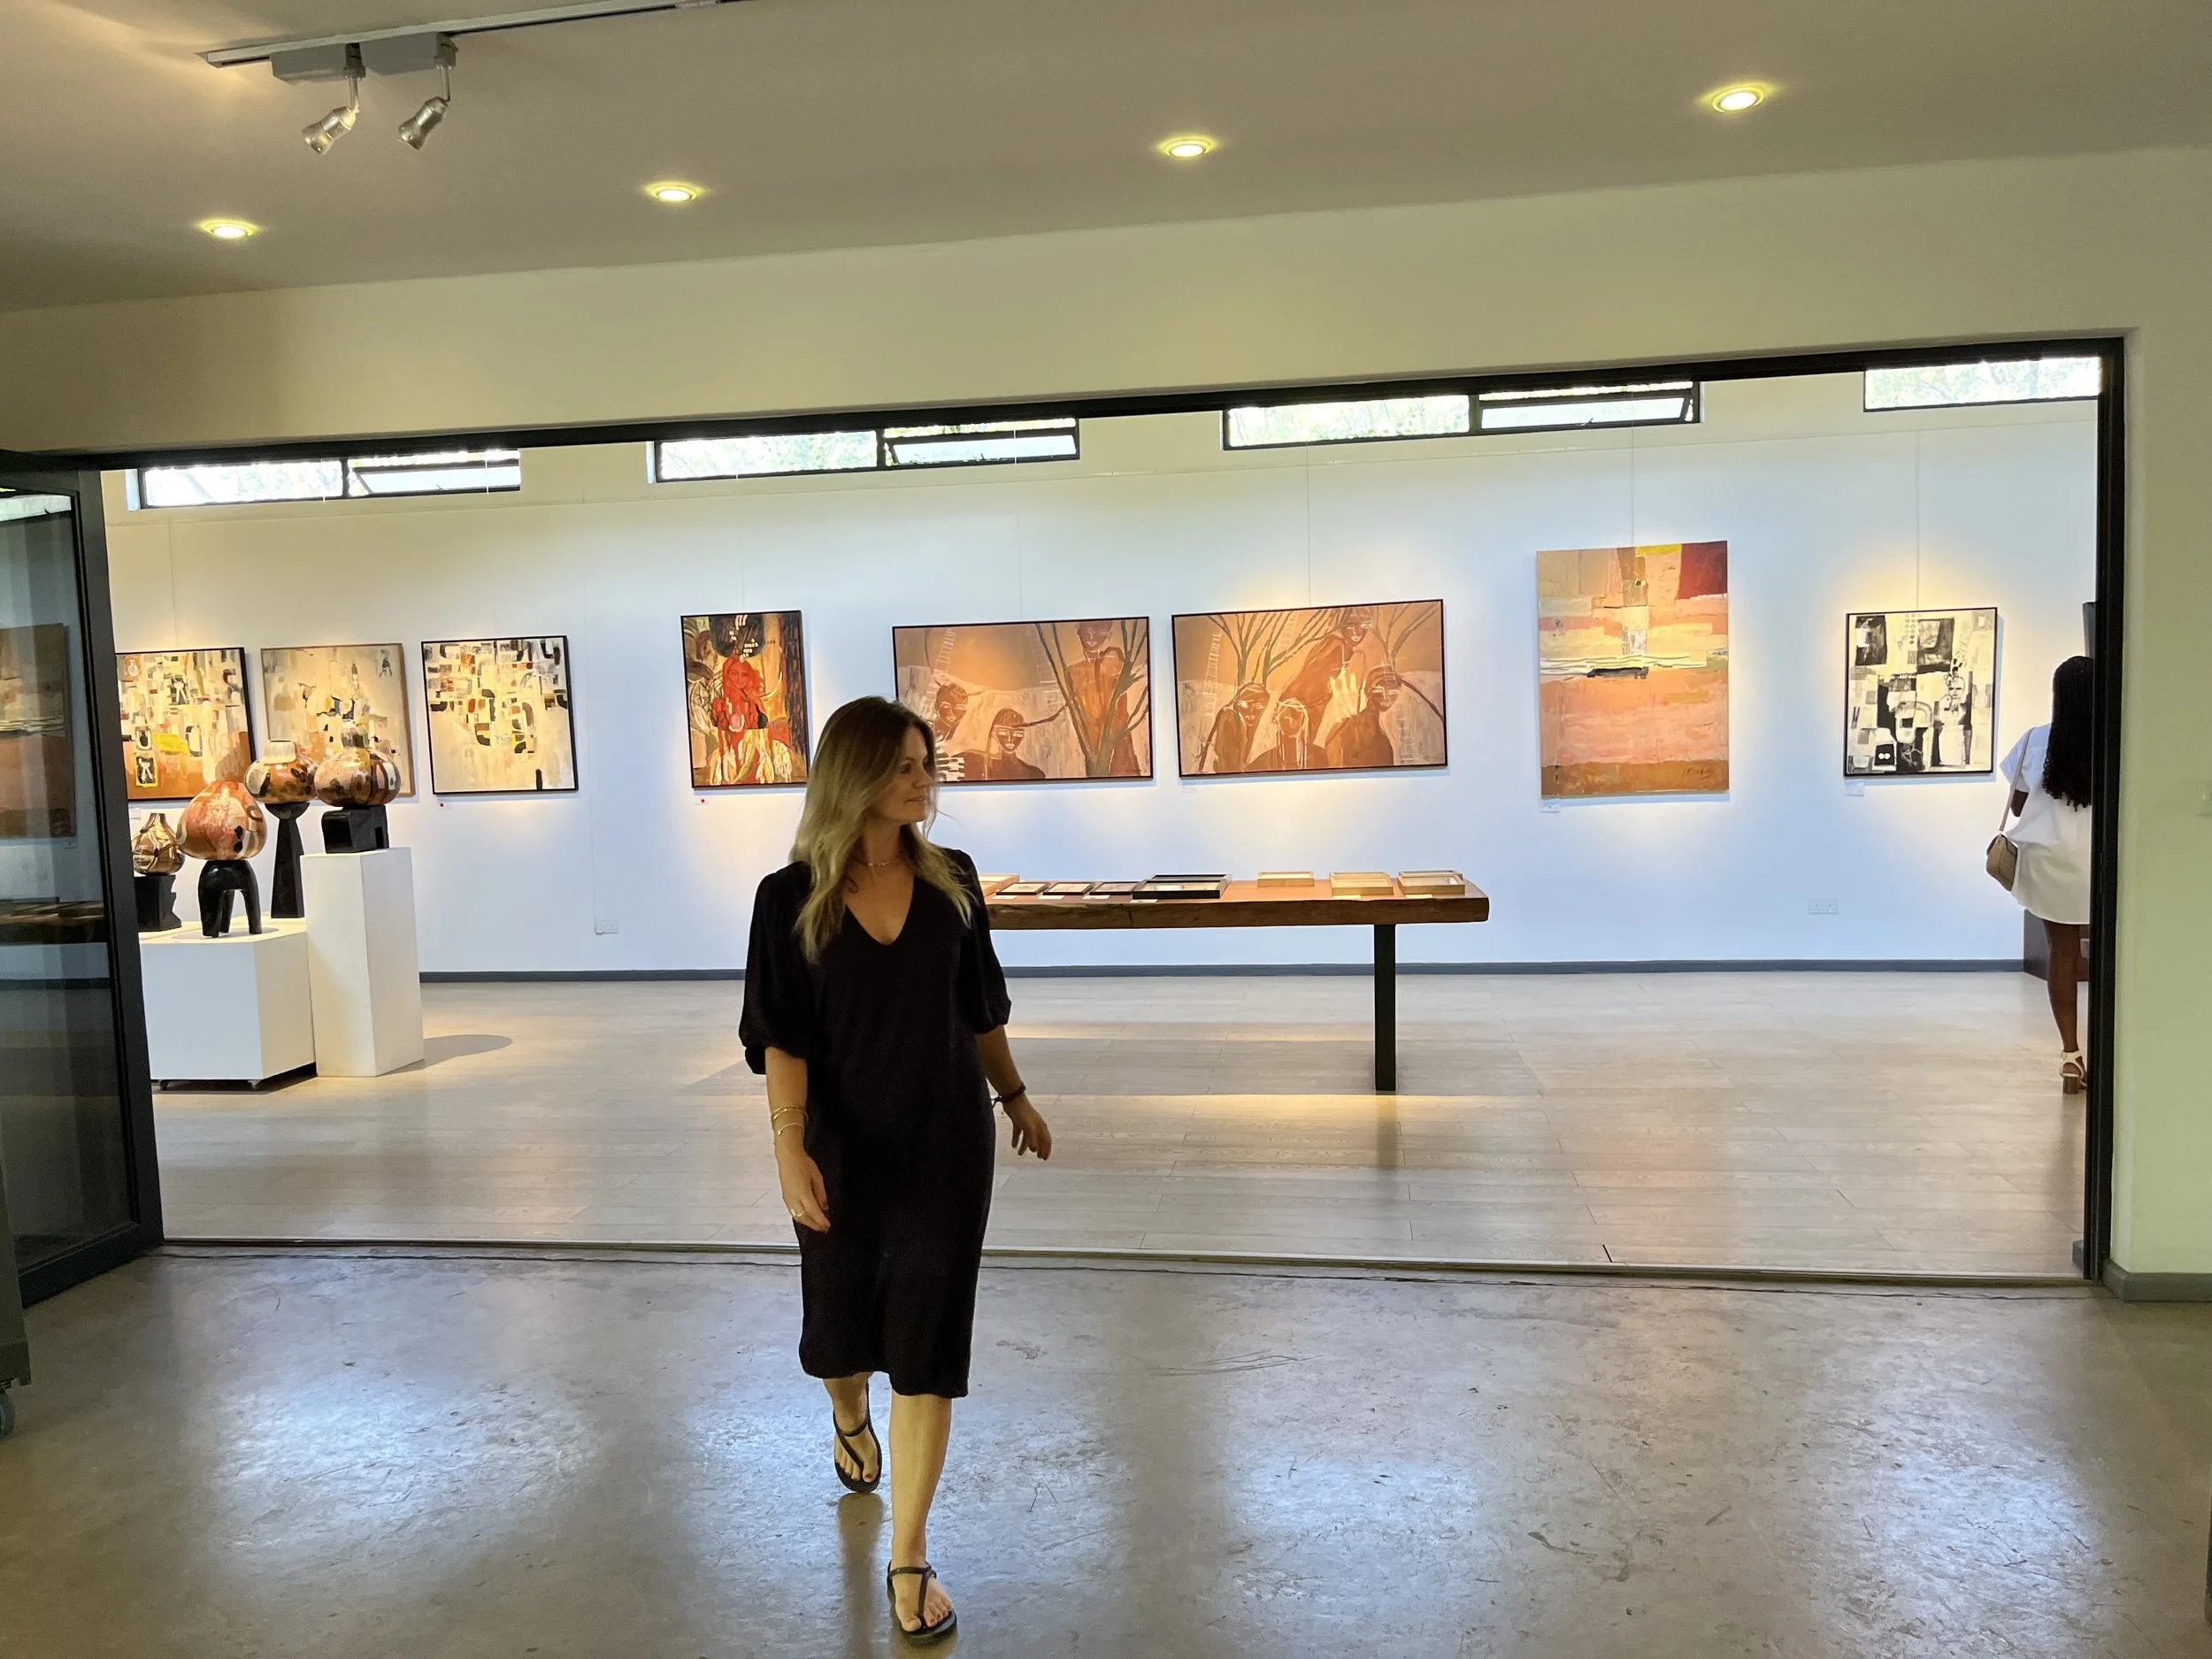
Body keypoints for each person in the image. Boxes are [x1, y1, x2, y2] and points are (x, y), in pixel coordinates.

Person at [741, 695, 1053, 1643]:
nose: (926, 781)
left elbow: (979, 1008)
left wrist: (1014, 1096)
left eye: (927, 764)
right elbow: (782, 1038)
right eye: (905, 766)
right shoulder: (787, 898)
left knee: (926, 1346)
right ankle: (848, 1414)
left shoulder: (953, 880)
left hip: (944, 1146)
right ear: (856, 775)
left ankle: (909, 1554)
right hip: (840, 1147)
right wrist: (788, 1146)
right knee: (841, 1337)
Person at [1999, 656, 2093, 1094]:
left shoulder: (2035, 740)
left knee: (2063, 952)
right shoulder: (2115, 739)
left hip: (2050, 862)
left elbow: (2018, 806)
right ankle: (2116, 1049)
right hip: (2101, 860)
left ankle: (2071, 1056)